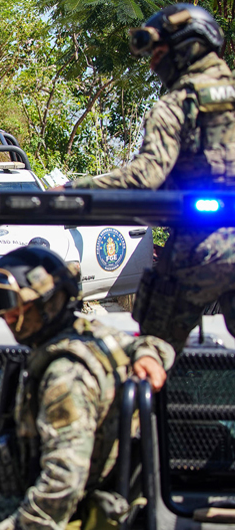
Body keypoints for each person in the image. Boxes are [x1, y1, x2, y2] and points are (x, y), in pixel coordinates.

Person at [0, 246, 174, 530]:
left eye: (16, 306)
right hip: (34, 499)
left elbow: (62, 484)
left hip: (55, 513)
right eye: (1, 306)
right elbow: (9, 444)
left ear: (51, 302)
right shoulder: (89, 338)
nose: (6, 317)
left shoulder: (65, 376)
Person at [57, 4, 235, 356]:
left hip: (201, 247)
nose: (153, 64)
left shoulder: (177, 105)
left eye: (159, 53)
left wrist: (76, 190)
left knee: (151, 355)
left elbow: (144, 178)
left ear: (187, 47)